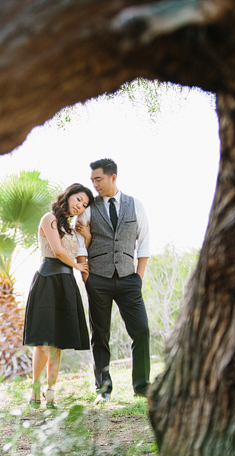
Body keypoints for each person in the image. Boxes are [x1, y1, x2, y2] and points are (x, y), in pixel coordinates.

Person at [23, 184, 93, 409]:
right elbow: (59, 251)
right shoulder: (48, 219)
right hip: (47, 280)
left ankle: (51, 393)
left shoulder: (74, 229)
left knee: (58, 343)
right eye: (79, 199)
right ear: (69, 194)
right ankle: (35, 392)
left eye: (84, 205)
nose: (79, 206)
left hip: (65, 282)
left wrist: (87, 236)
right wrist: (78, 267)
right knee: (43, 341)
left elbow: (81, 253)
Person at [86, 158, 151, 402]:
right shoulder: (89, 207)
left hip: (129, 279)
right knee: (100, 335)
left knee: (141, 330)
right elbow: (82, 244)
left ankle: (142, 386)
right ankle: (103, 390)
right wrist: (88, 279)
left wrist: (138, 278)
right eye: (92, 180)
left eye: (98, 179)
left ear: (113, 177)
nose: (95, 185)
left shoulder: (136, 205)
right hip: (98, 280)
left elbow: (144, 242)